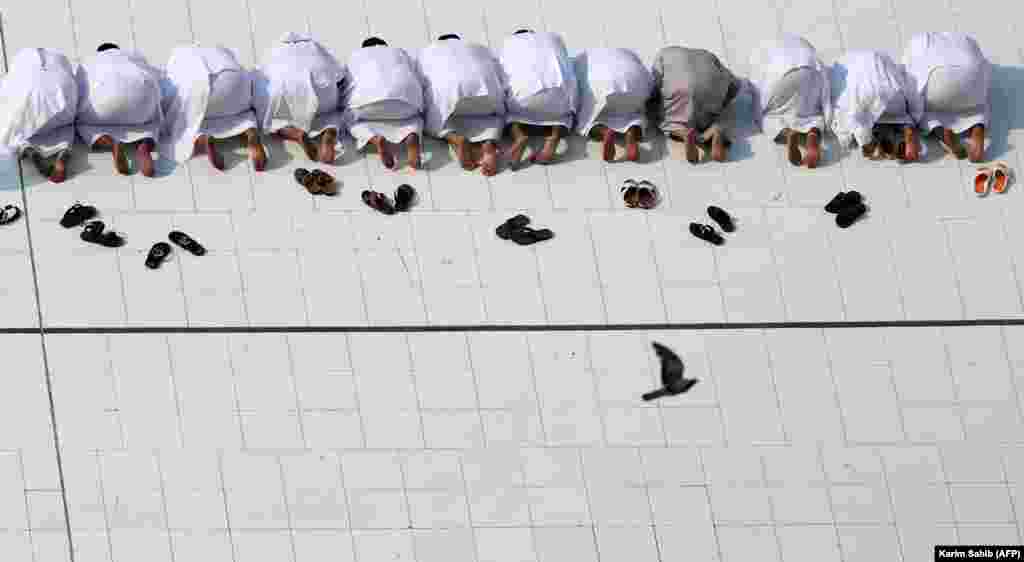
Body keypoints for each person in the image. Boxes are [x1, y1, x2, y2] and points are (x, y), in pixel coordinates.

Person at [160, 44, 267, 171]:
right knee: (245, 111)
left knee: (189, 114)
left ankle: (201, 137)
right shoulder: (222, 50)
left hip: (202, 89)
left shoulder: (178, 54)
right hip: (236, 82)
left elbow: (168, 88)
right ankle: (251, 134)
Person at [417, 33, 506, 176]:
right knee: (494, 117)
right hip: (486, 95)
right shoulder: (480, 48)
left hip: (452, 97)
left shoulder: (427, 51)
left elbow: (421, 82)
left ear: (439, 42)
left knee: (430, 122)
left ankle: (456, 139)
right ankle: (488, 143)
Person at [253, 32, 345, 164]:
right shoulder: (316, 47)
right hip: (321, 97)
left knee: (270, 118)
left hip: (285, 99)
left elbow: (259, 74)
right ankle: (329, 134)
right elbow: (340, 75)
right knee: (333, 113)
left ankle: (295, 134)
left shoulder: (274, 50)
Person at [75, 43, 164, 177]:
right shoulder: (134, 56)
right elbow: (157, 75)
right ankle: (144, 146)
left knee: (84, 123)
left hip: (104, 106)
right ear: (118, 49)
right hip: (140, 104)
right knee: (153, 120)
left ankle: (111, 143)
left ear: (100, 52)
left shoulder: (90, 60)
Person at [902, 32, 991, 162]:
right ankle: (978, 129)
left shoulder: (917, 40)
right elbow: (984, 66)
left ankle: (940, 131)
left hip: (937, 82)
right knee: (981, 102)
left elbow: (905, 75)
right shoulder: (967, 39)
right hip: (970, 78)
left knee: (919, 109)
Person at [748, 35, 830, 168]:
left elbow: (756, 87)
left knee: (766, 118)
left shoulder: (759, 52)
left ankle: (787, 133)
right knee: (814, 112)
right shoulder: (801, 43)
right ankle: (813, 132)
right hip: (811, 70)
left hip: (782, 76)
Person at [343, 37, 425, 171]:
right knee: (416, 118)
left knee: (348, 119)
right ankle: (412, 135)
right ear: (385, 46)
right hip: (406, 102)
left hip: (367, 103)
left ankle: (375, 139)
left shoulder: (355, 55)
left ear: (364, 48)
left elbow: (345, 82)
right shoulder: (400, 52)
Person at [500, 29, 577, 167]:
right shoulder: (554, 38)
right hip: (558, 97)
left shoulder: (508, 43)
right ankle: (553, 138)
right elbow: (569, 72)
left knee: (507, 112)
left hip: (523, 100)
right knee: (564, 114)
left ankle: (519, 137)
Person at [829, 50, 924, 162]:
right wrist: (913, 121)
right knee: (896, 115)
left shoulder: (842, 63)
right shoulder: (883, 57)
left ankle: (876, 140)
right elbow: (906, 81)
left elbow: (850, 117)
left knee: (855, 119)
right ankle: (905, 131)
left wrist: (865, 143)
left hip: (868, 102)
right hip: (894, 98)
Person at [0, 48, 78, 183]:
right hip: (61, 91)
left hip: (27, 98)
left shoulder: (19, 60)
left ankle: (26, 148)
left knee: (10, 128)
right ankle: (62, 153)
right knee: (66, 124)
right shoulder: (59, 57)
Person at [650, 46, 738, 164]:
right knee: (710, 119)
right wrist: (721, 105)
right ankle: (716, 130)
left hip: (682, 89)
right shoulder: (707, 54)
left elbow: (655, 83)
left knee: (664, 119)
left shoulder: (663, 53)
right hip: (712, 87)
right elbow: (734, 85)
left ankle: (683, 133)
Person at [574, 47, 652, 162]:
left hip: (605, 86)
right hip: (636, 81)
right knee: (636, 114)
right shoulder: (627, 52)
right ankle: (631, 132)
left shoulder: (578, 59)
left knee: (586, 121)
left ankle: (604, 131)